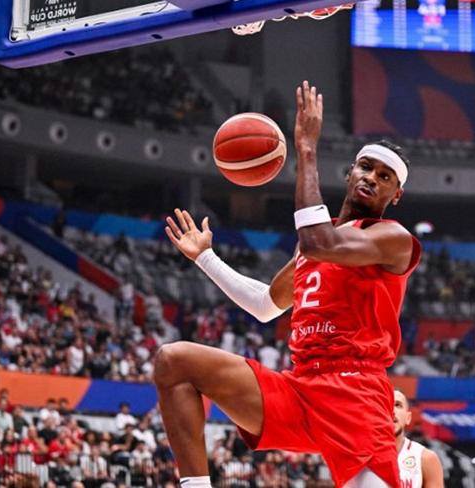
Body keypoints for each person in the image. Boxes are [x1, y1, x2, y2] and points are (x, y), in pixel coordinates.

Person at [156, 81, 420, 488]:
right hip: (301, 387)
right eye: (366, 167)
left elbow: (319, 241)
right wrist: (205, 258)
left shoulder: (391, 238)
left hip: (356, 393)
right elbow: (265, 305)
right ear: (350, 171)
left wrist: (307, 149)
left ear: (395, 194)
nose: (371, 178)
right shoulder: (317, 243)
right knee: (174, 361)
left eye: (384, 176)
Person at [393, 390, 444, 488]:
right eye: (385, 404)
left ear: (408, 418)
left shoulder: (426, 458)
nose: (392, 410)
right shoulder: (358, 456)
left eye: (398, 405)